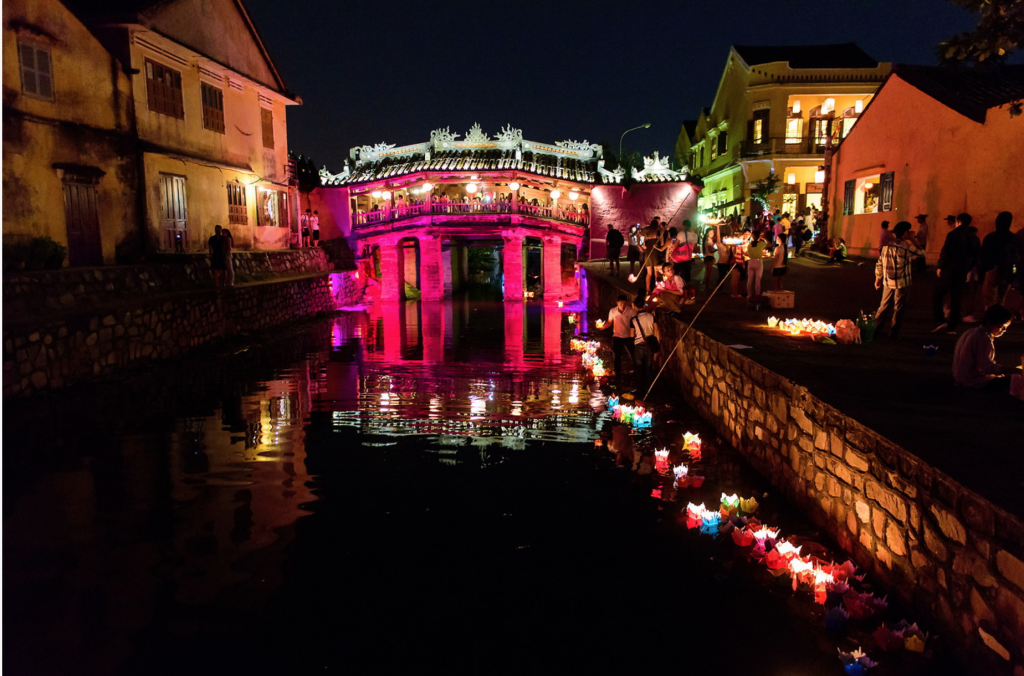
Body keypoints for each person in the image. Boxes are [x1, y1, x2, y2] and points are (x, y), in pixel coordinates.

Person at [933, 213, 980, 333]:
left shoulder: (953, 234)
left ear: (958, 221)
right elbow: (975, 257)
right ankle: (952, 326)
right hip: (962, 270)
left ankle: (940, 320)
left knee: (938, 294)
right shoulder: (974, 238)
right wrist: (967, 268)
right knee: (956, 298)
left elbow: (946, 251)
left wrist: (940, 266)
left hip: (949, 269)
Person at [874, 221, 920, 339]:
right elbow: (922, 253)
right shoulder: (906, 247)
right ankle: (893, 332)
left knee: (884, 305)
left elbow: (879, 262)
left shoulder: (886, 246)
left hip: (888, 281)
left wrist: (878, 277)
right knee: (899, 308)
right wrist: (914, 240)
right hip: (902, 282)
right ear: (906, 233)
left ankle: (876, 328)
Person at [952, 304, 1014, 389]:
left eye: (1006, 327)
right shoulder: (983, 338)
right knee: (1017, 379)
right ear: (990, 323)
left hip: (960, 378)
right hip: (974, 381)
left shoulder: (970, 332)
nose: (1004, 330)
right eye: (1001, 327)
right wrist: (1018, 371)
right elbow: (988, 367)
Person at [980, 212, 1017, 309]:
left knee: (989, 299)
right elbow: (1016, 256)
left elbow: (984, 254)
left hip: (993, 269)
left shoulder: (991, 237)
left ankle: (990, 319)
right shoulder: (1013, 238)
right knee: (1001, 299)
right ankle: (999, 320)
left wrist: (984, 270)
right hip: (1008, 270)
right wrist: (1014, 273)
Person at [630, 296, 659, 394]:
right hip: (650, 345)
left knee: (638, 368)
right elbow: (657, 331)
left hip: (638, 345)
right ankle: (649, 390)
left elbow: (631, 335)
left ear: (634, 306)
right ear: (644, 305)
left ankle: (639, 389)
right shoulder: (651, 317)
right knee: (648, 368)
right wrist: (657, 345)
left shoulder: (633, 320)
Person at [605, 294, 637, 382]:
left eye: (624, 304)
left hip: (628, 336)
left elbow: (635, 323)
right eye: (621, 304)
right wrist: (603, 326)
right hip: (617, 336)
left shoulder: (631, 311)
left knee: (633, 355)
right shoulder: (613, 311)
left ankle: (637, 373)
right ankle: (618, 374)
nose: (623, 306)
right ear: (617, 303)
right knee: (617, 356)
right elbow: (609, 321)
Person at [746, 230, 769, 301]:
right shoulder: (761, 243)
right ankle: (757, 294)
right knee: (757, 280)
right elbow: (769, 244)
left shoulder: (749, 245)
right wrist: (764, 238)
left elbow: (747, 253)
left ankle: (749, 295)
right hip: (758, 262)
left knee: (750, 280)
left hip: (751, 262)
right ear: (759, 236)